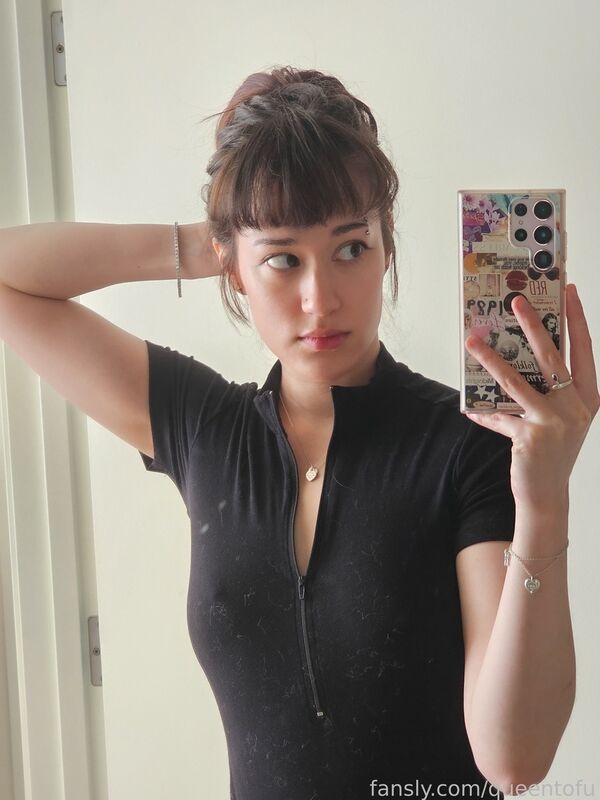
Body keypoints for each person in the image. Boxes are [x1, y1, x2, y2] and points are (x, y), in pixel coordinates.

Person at [0, 65, 598, 800]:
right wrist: (212, 239)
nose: (321, 298)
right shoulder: (203, 427)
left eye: (350, 248)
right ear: (235, 270)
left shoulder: (466, 445)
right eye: (283, 259)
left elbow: (513, 762)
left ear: (386, 248)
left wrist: (545, 504)